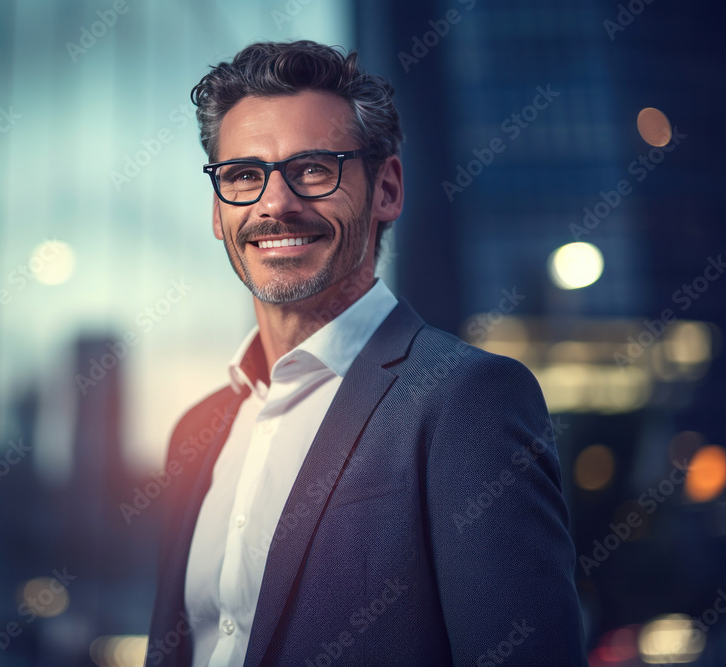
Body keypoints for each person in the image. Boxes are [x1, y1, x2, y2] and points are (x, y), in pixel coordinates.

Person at [145, 40, 587, 667]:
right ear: (218, 210)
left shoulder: (468, 401)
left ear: (387, 189)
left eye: (314, 169)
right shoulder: (195, 432)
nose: (276, 204)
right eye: (244, 175)